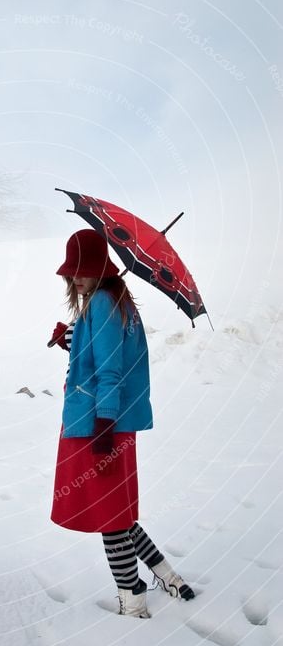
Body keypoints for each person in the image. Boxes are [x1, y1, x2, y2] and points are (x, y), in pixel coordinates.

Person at [49, 229, 194, 618]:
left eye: (83, 269)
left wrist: (103, 423)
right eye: (72, 271)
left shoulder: (102, 302)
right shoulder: (115, 302)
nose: (76, 277)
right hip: (106, 421)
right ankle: (166, 572)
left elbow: (111, 370)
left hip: (97, 422)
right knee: (117, 511)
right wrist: (73, 337)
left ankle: (133, 600)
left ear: (99, 266)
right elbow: (106, 351)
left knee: (110, 517)